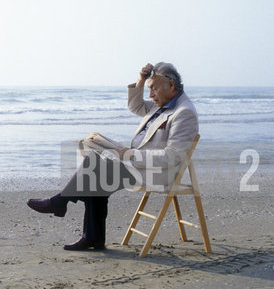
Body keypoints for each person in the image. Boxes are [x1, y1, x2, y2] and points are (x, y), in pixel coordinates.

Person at [27, 62, 199, 250]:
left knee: (95, 167)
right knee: (94, 164)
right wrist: (141, 80)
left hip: (157, 174)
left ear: (171, 85)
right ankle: (91, 235)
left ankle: (61, 203)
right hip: (138, 164)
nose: (150, 95)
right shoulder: (162, 104)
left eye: (154, 89)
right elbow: (136, 106)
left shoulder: (184, 113)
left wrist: (130, 155)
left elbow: (172, 158)